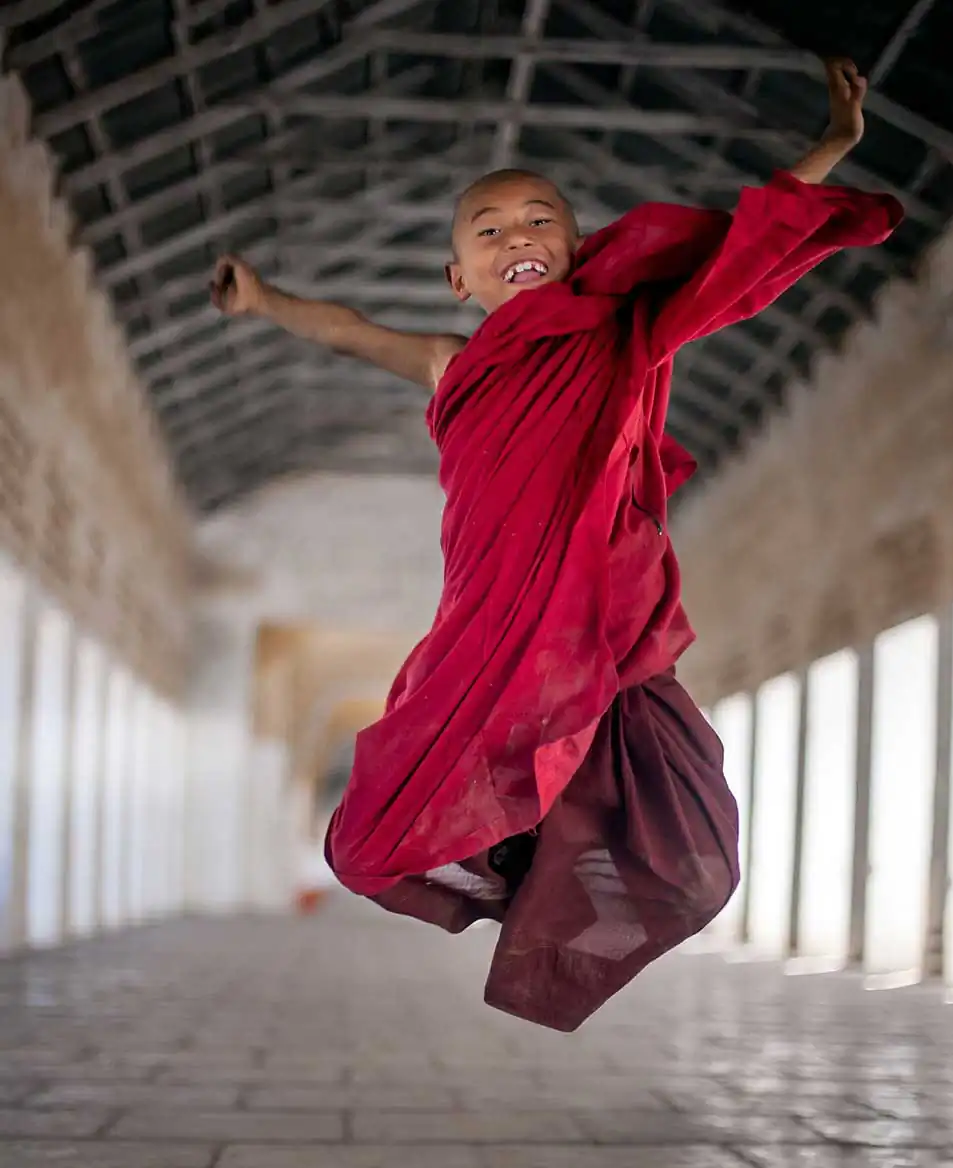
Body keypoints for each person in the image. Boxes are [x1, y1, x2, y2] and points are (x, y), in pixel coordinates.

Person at [212, 58, 902, 1031]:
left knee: (683, 836)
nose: (517, 237)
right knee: (369, 833)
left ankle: (560, 884)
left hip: (593, 604)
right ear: (458, 279)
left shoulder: (624, 330)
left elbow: (735, 263)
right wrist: (264, 299)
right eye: (488, 232)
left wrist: (829, 145)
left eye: (540, 220)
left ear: (577, 249)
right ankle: (507, 877)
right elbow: (348, 330)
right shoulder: (454, 360)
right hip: (488, 610)